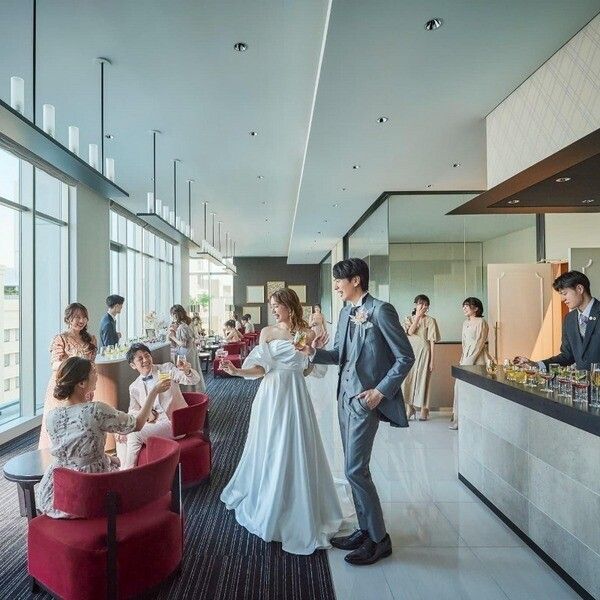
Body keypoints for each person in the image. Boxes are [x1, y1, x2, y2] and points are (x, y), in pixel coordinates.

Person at [219, 288, 352, 555]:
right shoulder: (268, 333)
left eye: (276, 305)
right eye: (271, 305)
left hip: (295, 393)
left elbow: (308, 369)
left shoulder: (307, 333)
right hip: (271, 395)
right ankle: (269, 499)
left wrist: (315, 349)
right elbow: (261, 368)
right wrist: (236, 371)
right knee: (271, 445)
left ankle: (298, 501)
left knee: (296, 444)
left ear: (289, 307)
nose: (273, 309)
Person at [305, 258, 415, 566]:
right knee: (351, 469)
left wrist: (380, 392)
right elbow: (339, 355)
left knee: (356, 470)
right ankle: (365, 530)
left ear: (355, 280)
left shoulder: (381, 310)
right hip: (344, 399)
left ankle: (379, 540)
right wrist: (312, 352)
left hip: (366, 400)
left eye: (339, 281)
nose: (335, 286)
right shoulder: (344, 313)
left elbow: (405, 357)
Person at [36, 356, 171, 518]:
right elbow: (137, 424)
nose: (96, 375)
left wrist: (107, 458)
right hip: (89, 489)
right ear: (81, 383)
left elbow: (74, 450)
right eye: (93, 372)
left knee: (116, 462)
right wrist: (154, 392)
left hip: (57, 492)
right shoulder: (96, 410)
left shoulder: (52, 416)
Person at [115, 343, 202, 469]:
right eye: (140, 358)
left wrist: (187, 371)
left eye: (147, 355)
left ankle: (128, 473)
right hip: (154, 424)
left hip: (176, 423)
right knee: (120, 435)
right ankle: (122, 471)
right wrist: (128, 425)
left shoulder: (167, 369)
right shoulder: (134, 386)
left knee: (134, 434)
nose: (145, 360)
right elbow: (133, 411)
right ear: (133, 365)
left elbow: (193, 380)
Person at [39, 303, 98, 450]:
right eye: (77, 317)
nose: (81, 320)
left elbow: (91, 365)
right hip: (64, 385)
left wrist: (90, 384)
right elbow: (54, 364)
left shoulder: (91, 339)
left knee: (81, 422)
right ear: (68, 319)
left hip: (83, 386)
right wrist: (74, 367)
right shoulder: (61, 338)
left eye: (84, 317)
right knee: (61, 424)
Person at [515, 271, 600, 371]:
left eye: (565, 293)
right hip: (582, 380)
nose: (563, 299)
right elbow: (567, 356)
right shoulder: (569, 319)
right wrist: (536, 365)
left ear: (580, 289)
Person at [450, 297, 489, 430]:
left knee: (474, 389)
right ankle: (458, 419)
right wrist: (464, 359)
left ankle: (474, 421)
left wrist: (469, 361)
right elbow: (464, 343)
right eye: (464, 306)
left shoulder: (481, 322)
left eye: (467, 306)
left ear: (476, 308)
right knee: (459, 388)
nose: (464, 308)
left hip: (477, 360)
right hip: (466, 358)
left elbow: (479, 343)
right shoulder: (465, 323)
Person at [401, 294, 440, 421]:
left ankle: (424, 409)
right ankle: (409, 409)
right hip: (410, 352)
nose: (423, 306)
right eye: (420, 303)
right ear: (415, 305)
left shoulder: (431, 320)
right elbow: (410, 332)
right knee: (407, 380)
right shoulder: (408, 318)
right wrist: (417, 317)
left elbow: (432, 342)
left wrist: (432, 361)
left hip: (424, 352)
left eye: (425, 304)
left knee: (424, 381)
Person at [168, 304, 205, 392]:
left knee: (186, 371)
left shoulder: (182, 327)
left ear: (175, 315)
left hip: (185, 352)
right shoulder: (188, 323)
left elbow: (183, 344)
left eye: (172, 315)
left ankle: (188, 392)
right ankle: (195, 391)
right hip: (191, 350)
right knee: (193, 370)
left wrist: (172, 337)